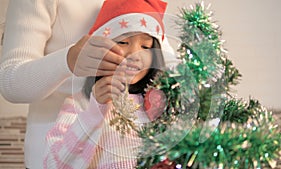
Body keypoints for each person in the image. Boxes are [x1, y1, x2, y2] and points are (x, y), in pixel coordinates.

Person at [0, 0, 175, 168]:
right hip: (56, 152)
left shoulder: (150, 104)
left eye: (145, 46)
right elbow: (11, 82)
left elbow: (164, 56)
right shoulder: (78, 105)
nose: (135, 55)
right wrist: (68, 61)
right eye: (123, 42)